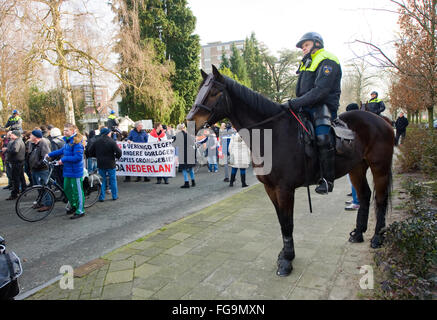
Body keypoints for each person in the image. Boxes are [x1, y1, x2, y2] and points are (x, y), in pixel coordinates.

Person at [282, 32, 342, 194]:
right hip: (305, 106)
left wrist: (294, 103)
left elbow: (321, 91)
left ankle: (327, 180)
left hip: (323, 106)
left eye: (306, 45)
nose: (303, 49)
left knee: (322, 138)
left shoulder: (327, 60)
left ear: (317, 44)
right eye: (302, 47)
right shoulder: (307, 62)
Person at [47, 123, 86, 220]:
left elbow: (77, 158)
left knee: (77, 191)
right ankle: (73, 205)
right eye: (64, 130)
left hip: (75, 171)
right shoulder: (67, 142)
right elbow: (61, 151)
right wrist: (49, 154)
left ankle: (80, 210)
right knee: (67, 189)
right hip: (67, 170)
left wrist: (63, 160)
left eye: (67, 130)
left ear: (73, 131)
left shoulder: (77, 143)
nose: (64, 132)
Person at [88, 127, 122, 202]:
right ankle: (114, 196)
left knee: (102, 181)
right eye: (110, 132)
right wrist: (116, 157)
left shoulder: (97, 141)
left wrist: (97, 156)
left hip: (101, 163)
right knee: (112, 180)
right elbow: (119, 152)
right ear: (107, 133)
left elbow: (90, 151)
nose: (111, 133)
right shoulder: (112, 141)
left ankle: (102, 197)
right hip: (111, 163)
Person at [28, 129, 52, 211]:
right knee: (37, 187)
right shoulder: (32, 143)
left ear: (36, 137)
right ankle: (41, 202)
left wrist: (38, 164)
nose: (30, 136)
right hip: (34, 169)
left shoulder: (43, 143)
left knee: (44, 187)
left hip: (42, 170)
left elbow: (46, 157)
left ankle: (48, 204)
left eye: (31, 135)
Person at [344, 103, 360, 211]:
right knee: (351, 179)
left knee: (355, 179)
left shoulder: (356, 124)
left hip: (355, 156)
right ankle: (355, 198)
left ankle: (357, 202)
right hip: (353, 155)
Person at [2, 130, 26, 200]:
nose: (10, 136)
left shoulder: (17, 141)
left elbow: (15, 150)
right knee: (21, 177)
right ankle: (24, 190)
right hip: (19, 162)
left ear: (15, 135)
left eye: (11, 134)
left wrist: (6, 150)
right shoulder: (18, 141)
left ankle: (15, 194)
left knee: (15, 178)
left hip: (17, 162)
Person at [175, 124, 196, 188]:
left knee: (184, 168)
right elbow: (192, 143)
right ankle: (193, 181)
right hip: (190, 152)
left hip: (183, 153)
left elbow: (175, 144)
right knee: (190, 168)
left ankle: (186, 182)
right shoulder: (188, 135)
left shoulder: (178, 136)